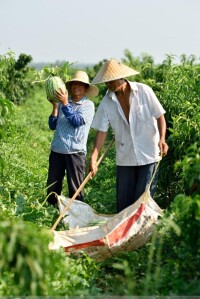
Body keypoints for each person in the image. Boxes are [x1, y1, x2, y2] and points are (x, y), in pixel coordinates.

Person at [89, 59, 168, 213]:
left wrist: (162, 139)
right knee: (123, 205)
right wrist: (94, 157)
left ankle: (142, 236)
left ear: (122, 77)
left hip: (148, 154)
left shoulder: (144, 91)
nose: (109, 85)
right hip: (125, 158)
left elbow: (160, 116)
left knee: (142, 203)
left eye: (111, 81)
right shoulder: (107, 101)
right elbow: (102, 131)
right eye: (106, 82)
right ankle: (125, 236)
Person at [47, 70, 99, 205]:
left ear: (86, 88)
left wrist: (64, 104)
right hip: (57, 150)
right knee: (52, 187)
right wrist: (55, 107)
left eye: (80, 85)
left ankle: (76, 217)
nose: (76, 87)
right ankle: (51, 213)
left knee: (75, 189)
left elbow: (76, 121)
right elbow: (52, 125)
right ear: (70, 87)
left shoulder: (88, 105)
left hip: (75, 153)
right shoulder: (63, 102)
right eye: (74, 84)